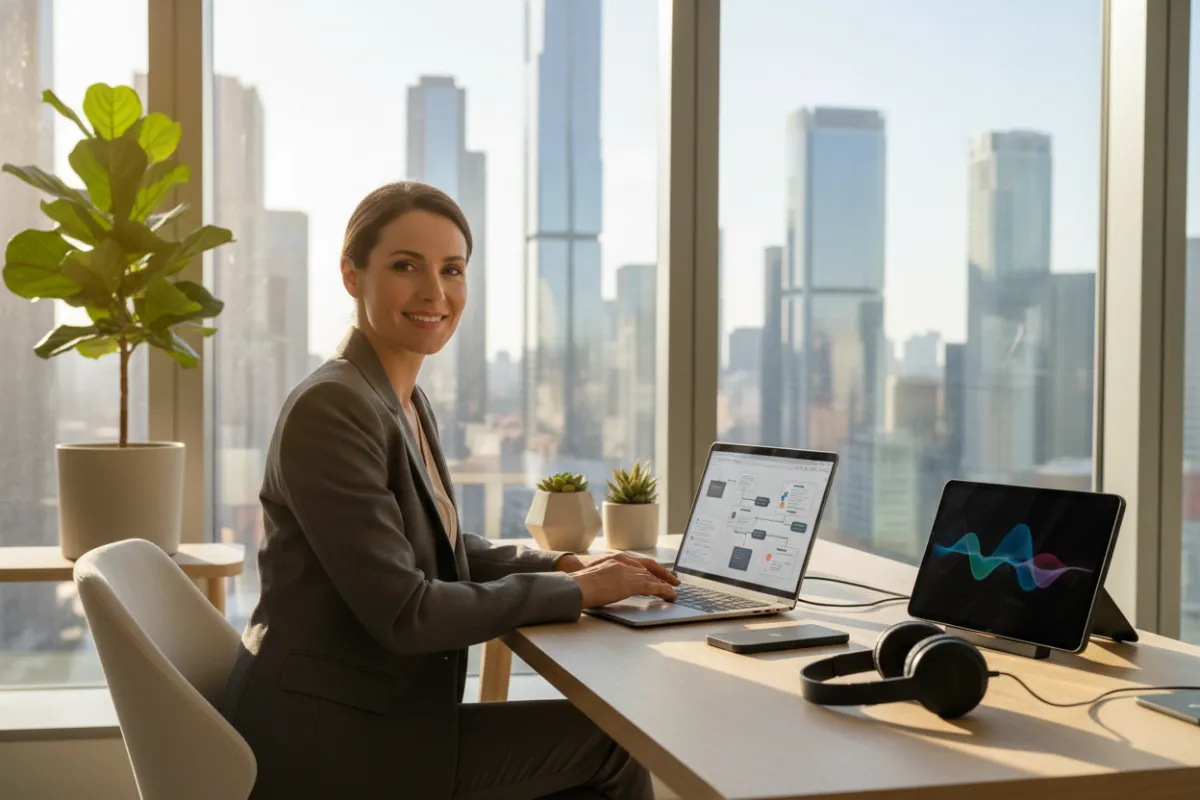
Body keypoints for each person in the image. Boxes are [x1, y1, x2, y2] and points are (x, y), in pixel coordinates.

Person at [220, 181, 679, 799]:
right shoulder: (332, 408)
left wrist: (567, 562)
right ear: (352, 276)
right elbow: (407, 612)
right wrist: (574, 591)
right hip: (331, 743)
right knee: (611, 746)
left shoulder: (401, 398)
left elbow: (441, 549)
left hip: (377, 718)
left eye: (452, 269)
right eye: (406, 266)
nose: (435, 291)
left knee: (599, 742)